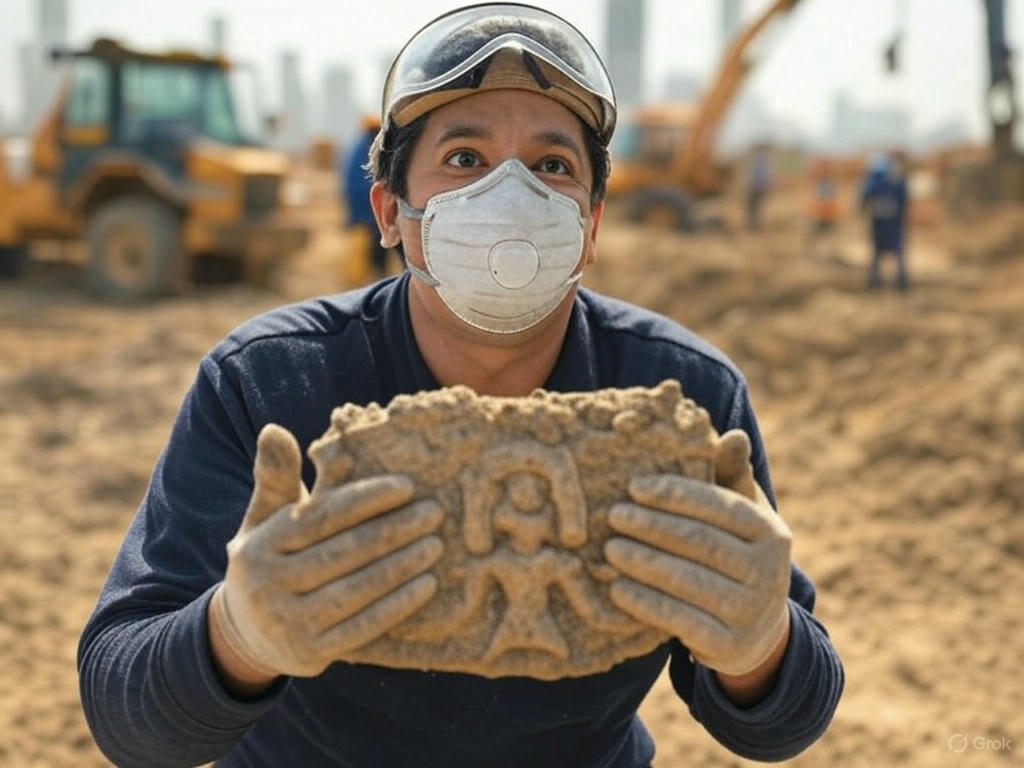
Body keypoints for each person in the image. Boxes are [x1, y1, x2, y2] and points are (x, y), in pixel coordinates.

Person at [77, 5, 844, 767]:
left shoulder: (684, 398)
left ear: (592, 223)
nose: (511, 194)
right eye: (466, 159)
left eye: (552, 166)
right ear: (390, 211)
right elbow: (124, 712)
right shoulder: (270, 384)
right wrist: (236, 638)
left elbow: (782, 726)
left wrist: (760, 646)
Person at [340, 114, 390, 282]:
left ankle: (370, 275)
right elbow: (364, 182)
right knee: (366, 245)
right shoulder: (365, 149)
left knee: (373, 245)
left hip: (365, 207)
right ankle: (361, 279)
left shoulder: (360, 146)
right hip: (365, 207)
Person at [860, 150, 910, 290]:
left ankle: (877, 280)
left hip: (882, 223)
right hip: (890, 223)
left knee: (878, 251)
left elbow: (865, 196)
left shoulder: (876, 179)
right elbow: (904, 199)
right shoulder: (895, 178)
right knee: (895, 251)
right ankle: (897, 281)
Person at [745, 142, 773, 231]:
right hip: (758, 187)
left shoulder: (759, 161)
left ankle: (755, 225)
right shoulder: (764, 161)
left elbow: (754, 176)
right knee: (756, 208)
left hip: (756, 188)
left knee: (755, 207)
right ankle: (755, 224)